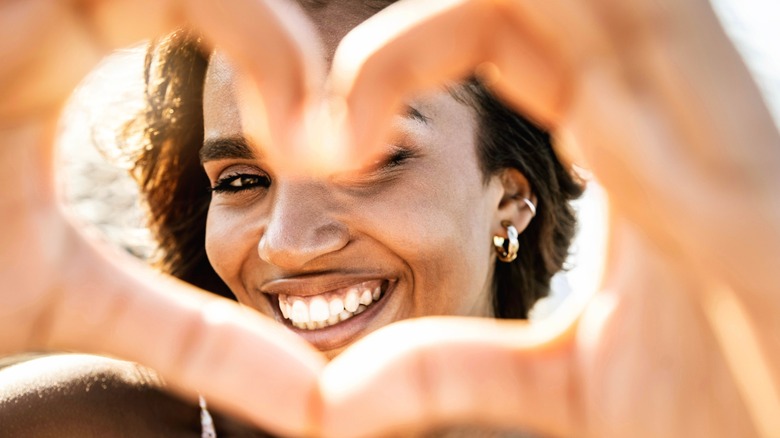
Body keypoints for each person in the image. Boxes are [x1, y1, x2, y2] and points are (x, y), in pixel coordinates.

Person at [0, 0, 778, 437]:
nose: (287, 241)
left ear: (511, 192)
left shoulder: (664, 422)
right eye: (241, 179)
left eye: (372, 162)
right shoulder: (84, 425)